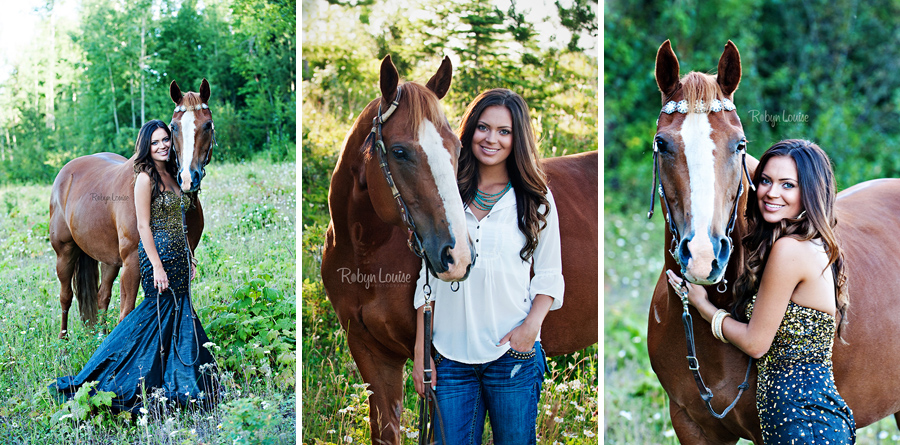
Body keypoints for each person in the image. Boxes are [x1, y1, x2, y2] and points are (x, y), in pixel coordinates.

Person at [667, 139, 855, 444]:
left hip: (802, 424)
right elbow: (732, 155)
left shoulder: (789, 250)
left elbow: (756, 343)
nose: (772, 192)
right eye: (766, 181)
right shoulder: (811, 243)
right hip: (809, 418)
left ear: (810, 192)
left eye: (788, 185)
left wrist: (704, 307)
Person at [412, 89, 564, 444]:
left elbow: (549, 275)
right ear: (470, 130)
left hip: (511, 356)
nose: (491, 138)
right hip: (449, 358)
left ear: (517, 138)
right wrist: (422, 352)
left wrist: (529, 330)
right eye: (483, 127)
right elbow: (426, 280)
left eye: (504, 131)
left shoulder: (535, 197)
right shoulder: (446, 193)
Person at [50, 119, 218, 413]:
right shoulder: (144, 179)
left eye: (165, 139)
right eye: (155, 142)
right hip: (160, 258)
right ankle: (123, 371)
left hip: (179, 258)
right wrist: (156, 265)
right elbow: (142, 225)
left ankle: (181, 377)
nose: (162, 146)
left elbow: (181, 220)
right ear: (146, 147)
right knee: (153, 315)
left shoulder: (177, 178)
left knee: (180, 312)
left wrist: (189, 255)